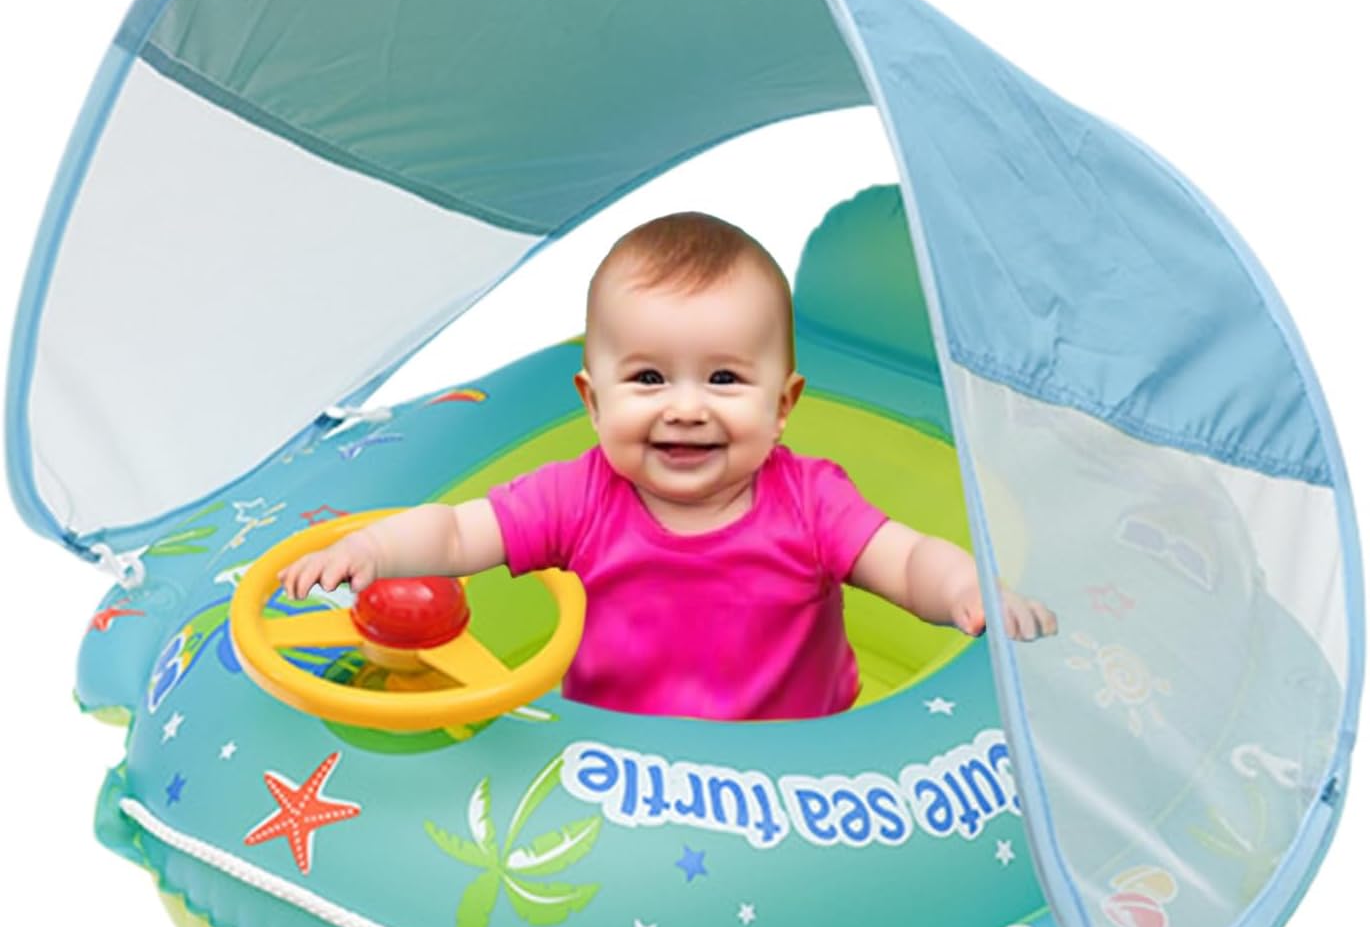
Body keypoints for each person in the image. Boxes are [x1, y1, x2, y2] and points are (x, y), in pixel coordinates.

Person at [279, 212, 1056, 719]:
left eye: (724, 379)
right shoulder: (577, 497)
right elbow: (455, 535)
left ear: (782, 406)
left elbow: (906, 559)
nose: (686, 408)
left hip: (792, 767)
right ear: (593, 402)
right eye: (649, 378)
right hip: (626, 769)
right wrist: (372, 549)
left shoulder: (811, 500)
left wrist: (966, 589)